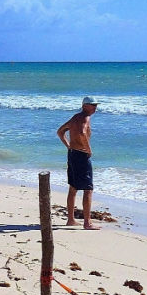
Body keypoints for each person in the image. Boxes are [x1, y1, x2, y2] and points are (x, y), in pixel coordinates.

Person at [57, 96, 100, 230]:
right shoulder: (84, 117)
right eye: (92, 105)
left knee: (73, 187)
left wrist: (69, 145)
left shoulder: (75, 117)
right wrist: (88, 149)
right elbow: (82, 132)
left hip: (72, 154)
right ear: (85, 106)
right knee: (88, 189)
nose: (95, 107)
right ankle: (87, 223)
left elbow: (60, 131)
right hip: (81, 155)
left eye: (96, 105)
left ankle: (71, 219)